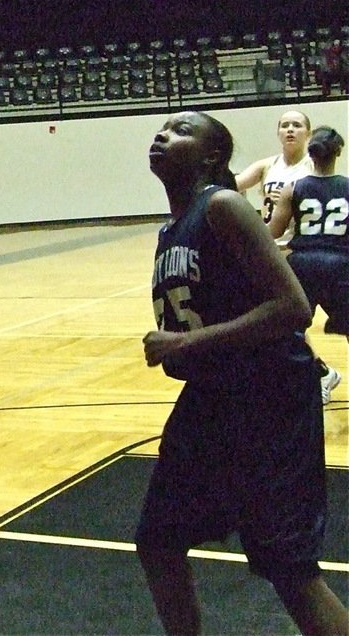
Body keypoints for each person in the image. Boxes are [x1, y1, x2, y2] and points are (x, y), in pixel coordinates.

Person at [138, 110, 348, 636]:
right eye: (163, 128)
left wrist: (187, 341)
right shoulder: (171, 229)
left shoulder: (224, 206)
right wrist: (186, 351)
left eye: (182, 131)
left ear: (213, 156)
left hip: (270, 398)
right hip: (213, 399)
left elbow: (293, 308)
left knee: (286, 565)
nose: (164, 135)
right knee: (158, 541)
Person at [269, 126, 347, 405]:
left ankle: (314, 379)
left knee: (292, 331)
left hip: (302, 265)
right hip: (341, 265)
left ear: (311, 153)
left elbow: (273, 233)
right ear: (338, 152)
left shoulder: (294, 188)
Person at [235, 109, 314, 246]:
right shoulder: (266, 165)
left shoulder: (314, 165)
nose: (290, 130)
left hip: (300, 244)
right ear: (278, 133)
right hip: (271, 244)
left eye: (296, 125)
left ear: (308, 134)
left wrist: (289, 201)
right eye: (285, 126)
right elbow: (230, 185)